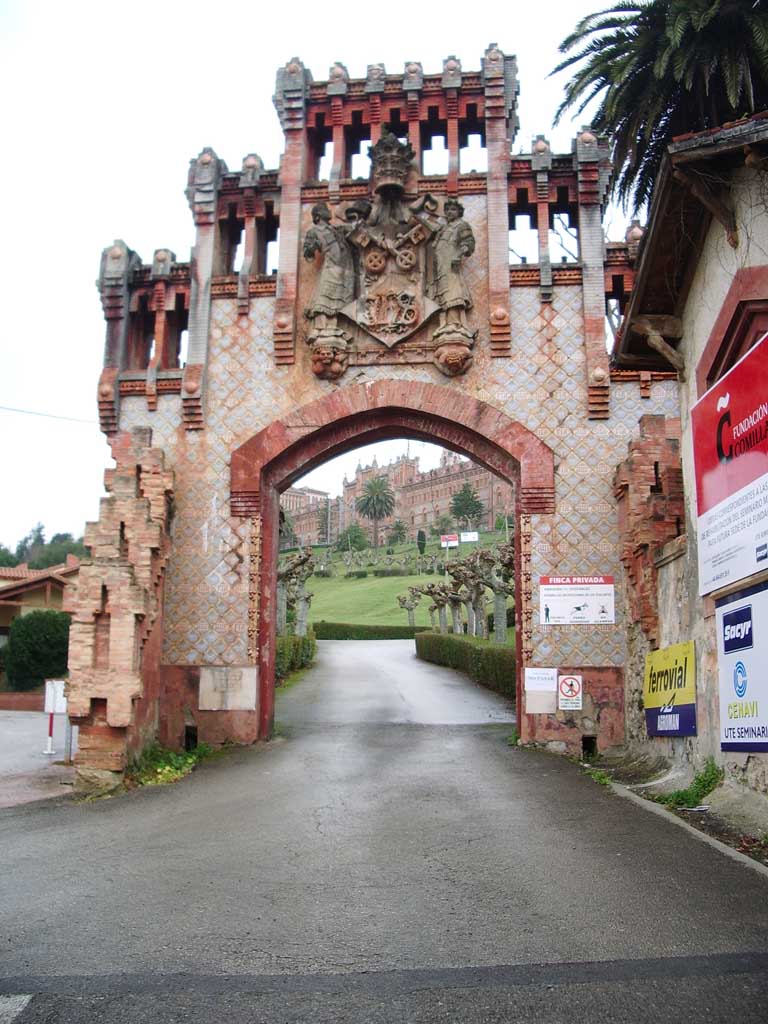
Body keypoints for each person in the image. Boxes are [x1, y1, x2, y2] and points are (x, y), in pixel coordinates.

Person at [303, 203, 355, 324]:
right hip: (331, 267)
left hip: (346, 267)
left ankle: (337, 327)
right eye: (325, 209)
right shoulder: (314, 231)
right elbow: (306, 252)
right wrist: (313, 247)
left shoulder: (337, 229)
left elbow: (353, 230)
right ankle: (321, 327)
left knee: (342, 299)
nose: (329, 211)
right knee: (325, 297)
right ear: (318, 215)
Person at [431, 198, 475, 321]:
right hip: (441, 265)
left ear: (459, 212)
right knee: (443, 290)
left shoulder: (461, 225)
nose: (450, 212)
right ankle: (445, 323)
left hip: (451, 264)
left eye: (453, 209)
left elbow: (469, 242)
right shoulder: (444, 228)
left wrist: (458, 255)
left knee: (452, 289)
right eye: (447, 210)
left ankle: (454, 322)